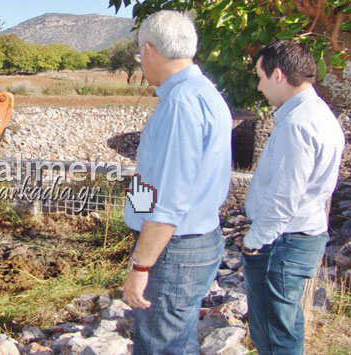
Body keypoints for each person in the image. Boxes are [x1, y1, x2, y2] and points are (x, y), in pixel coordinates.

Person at [122, 10, 232, 354]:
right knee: (178, 340)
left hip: (174, 250)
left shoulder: (181, 104)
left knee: (162, 345)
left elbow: (169, 200)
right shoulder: (199, 93)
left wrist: (140, 265)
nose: (141, 64)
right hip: (185, 242)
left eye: (140, 55)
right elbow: (151, 175)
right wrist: (137, 221)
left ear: (151, 50)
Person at [242, 41, 344, 355]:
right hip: (296, 236)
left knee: (276, 334)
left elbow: (284, 198)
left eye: (260, 77)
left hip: (284, 241)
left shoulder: (298, 124)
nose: (259, 87)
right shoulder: (316, 114)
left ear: (278, 75)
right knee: (283, 329)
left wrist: (253, 241)